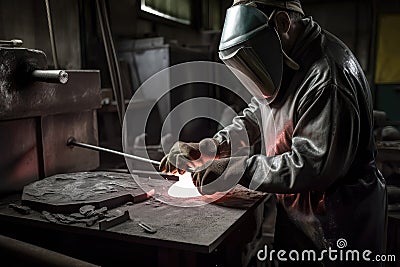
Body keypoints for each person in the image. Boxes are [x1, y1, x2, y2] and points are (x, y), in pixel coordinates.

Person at [160, 0, 387, 266]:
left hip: (340, 223)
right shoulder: (289, 61)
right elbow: (257, 113)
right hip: (297, 212)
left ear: (281, 24)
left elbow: (312, 166)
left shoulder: (327, 77)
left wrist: (239, 169)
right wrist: (210, 148)